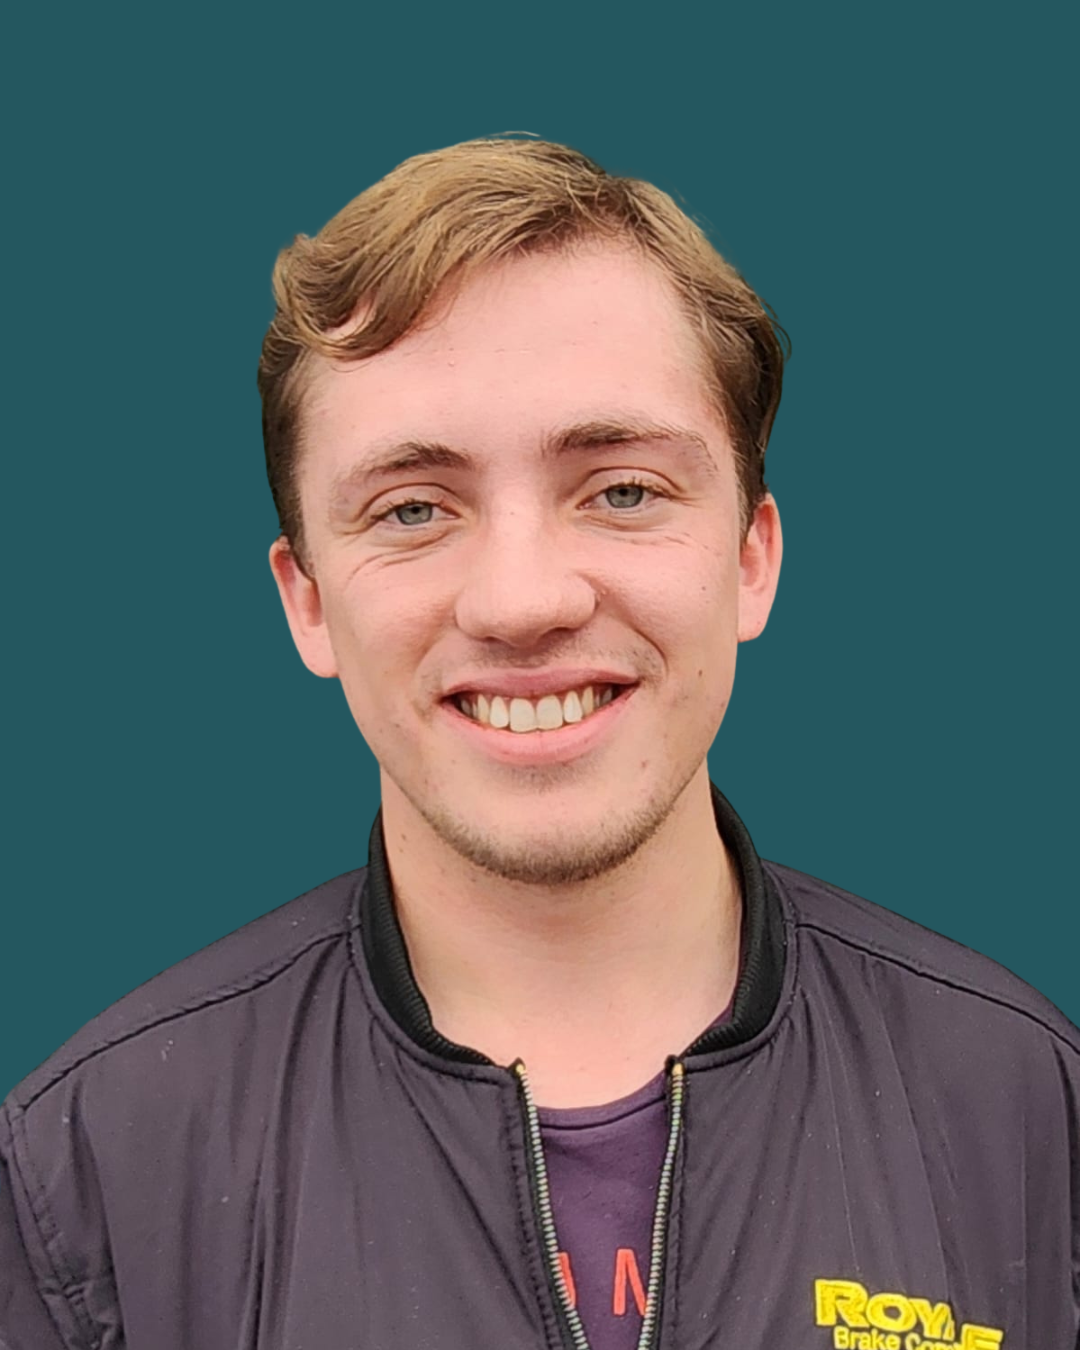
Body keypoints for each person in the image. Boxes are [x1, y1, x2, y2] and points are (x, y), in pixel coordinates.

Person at [2, 137, 1076, 1350]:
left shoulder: (1028, 1107)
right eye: (413, 509)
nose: (522, 601)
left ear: (750, 558)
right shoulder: (89, 1165)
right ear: (307, 599)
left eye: (620, 490)